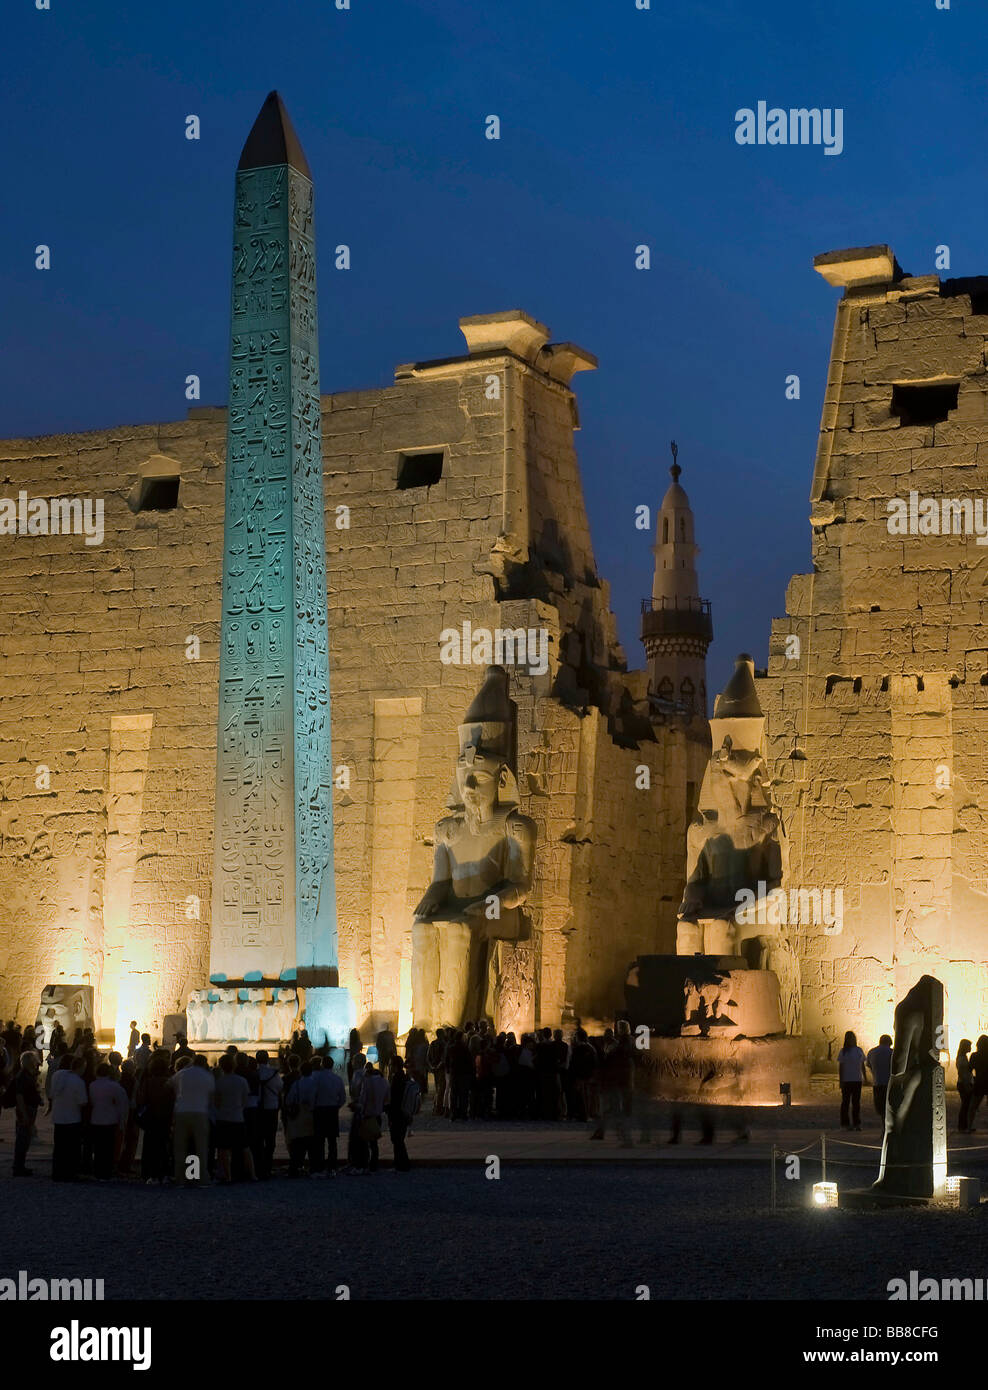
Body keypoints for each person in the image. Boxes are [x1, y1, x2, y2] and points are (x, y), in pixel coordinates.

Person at [169, 1054, 215, 1185]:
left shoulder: (183, 1073)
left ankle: (181, 1179)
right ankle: (201, 1178)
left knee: (180, 1148)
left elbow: (169, 1084)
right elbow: (212, 1095)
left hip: (182, 1111)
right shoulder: (207, 1076)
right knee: (200, 1147)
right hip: (200, 1112)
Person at [214, 1052, 254, 1182]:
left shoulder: (219, 1082)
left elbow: (217, 1102)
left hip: (223, 1118)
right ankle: (252, 1174)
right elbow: (245, 1099)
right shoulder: (241, 1081)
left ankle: (227, 1175)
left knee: (223, 1149)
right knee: (245, 1148)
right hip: (238, 1117)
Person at [49, 1055, 89, 1181]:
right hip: (72, 1118)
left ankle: (57, 1172)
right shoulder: (78, 1081)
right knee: (71, 1148)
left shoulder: (58, 1075)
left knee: (59, 1147)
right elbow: (82, 1101)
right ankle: (70, 1173)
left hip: (58, 1117)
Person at [137, 1050, 173, 1184]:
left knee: (150, 1146)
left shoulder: (148, 1082)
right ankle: (164, 1173)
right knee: (163, 1146)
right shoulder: (169, 1082)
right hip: (164, 1117)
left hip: (151, 1118)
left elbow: (142, 1100)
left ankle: (149, 1174)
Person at [89, 1062, 129, 1180]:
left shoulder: (92, 1085)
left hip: (96, 1118)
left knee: (98, 1147)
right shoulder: (115, 1086)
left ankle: (98, 1170)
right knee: (108, 1148)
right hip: (110, 1119)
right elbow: (122, 1103)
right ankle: (106, 1171)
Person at [313, 1056, 346, 1173]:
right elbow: (343, 1098)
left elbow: (313, 1094)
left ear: (322, 1064)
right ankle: (332, 1165)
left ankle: (320, 1164)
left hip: (320, 1110)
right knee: (332, 1140)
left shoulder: (317, 1078)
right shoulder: (337, 1079)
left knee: (320, 1140)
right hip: (332, 1110)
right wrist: (336, 1106)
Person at [285, 1060, 318, 1176]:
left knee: (298, 1144)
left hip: (299, 1116)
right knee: (312, 1145)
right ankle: (314, 1167)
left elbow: (289, 1100)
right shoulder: (315, 1083)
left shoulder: (297, 1084)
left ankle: (296, 1167)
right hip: (311, 1115)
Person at [12, 1049, 41, 1176]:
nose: (36, 1063)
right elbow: (20, 1096)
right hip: (25, 1110)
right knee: (22, 1139)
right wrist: (24, 1114)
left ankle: (20, 1165)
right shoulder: (23, 1076)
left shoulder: (27, 1075)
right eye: (34, 1061)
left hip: (28, 1109)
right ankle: (18, 1167)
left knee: (25, 1138)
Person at [254, 1050, 283, 1179]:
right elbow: (279, 1088)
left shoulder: (254, 1073)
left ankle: (258, 1166)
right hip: (271, 1108)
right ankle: (268, 1167)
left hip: (258, 1109)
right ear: (267, 1059)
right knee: (270, 1139)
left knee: (258, 1138)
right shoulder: (274, 1073)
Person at [358, 1062, 390, 1172]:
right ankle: (374, 1163)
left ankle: (365, 1162)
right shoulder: (384, 1082)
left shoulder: (367, 1082)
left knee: (365, 1141)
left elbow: (363, 1098)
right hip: (378, 1114)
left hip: (368, 1114)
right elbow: (387, 1099)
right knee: (374, 1143)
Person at [386, 1057, 415, 1172]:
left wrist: (388, 1112)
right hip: (405, 1113)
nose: (388, 1067)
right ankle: (402, 1163)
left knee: (397, 1140)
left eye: (390, 1064)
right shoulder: (405, 1077)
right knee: (399, 1140)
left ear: (394, 1066)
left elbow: (394, 1099)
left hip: (397, 1113)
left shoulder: (396, 1079)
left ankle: (401, 1164)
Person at [837, 1029, 867, 1130]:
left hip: (857, 1080)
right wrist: (841, 1081)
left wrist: (865, 1078)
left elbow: (862, 1065)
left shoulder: (859, 1050)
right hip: (847, 1080)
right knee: (845, 1103)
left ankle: (856, 1123)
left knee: (856, 1103)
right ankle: (845, 1124)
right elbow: (841, 1067)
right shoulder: (843, 1051)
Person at [866, 1033, 893, 1129]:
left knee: (881, 1109)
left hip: (877, 1083)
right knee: (890, 1107)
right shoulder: (892, 1052)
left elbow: (868, 1065)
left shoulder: (872, 1052)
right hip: (890, 1083)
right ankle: (888, 1128)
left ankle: (884, 1127)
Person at [967, 1035, 988, 1131]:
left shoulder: (974, 1056)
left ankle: (969, 1126)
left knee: (973, 1107)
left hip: (979, 1082)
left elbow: (969, 1069)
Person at [956, 1038, 974, 1133]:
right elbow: (962, 1073)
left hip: (964, 1083)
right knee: (965, 1105)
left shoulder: (962, 1057)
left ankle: (964, 1126)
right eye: (969, 1046)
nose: (971, 1047)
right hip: (963, 1084)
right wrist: (967, 1084)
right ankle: (962, 1126)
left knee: (966, 1105)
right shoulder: (962, 1058)